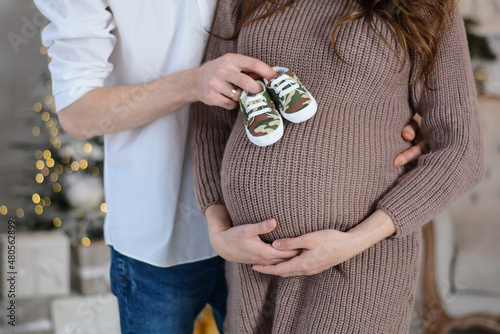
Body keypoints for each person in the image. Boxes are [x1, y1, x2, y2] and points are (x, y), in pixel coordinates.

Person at [33, 0, 425, 333]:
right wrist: (192, 84)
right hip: (160, 237)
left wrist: (405, 112)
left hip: (276, 243)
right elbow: (78, 113)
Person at [192, 0, 485, 333]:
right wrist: (217, 230)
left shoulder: (425, 6)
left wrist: (353, 241)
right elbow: (211, 120)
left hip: (357, 264)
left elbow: (462, 148)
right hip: (251, 268)